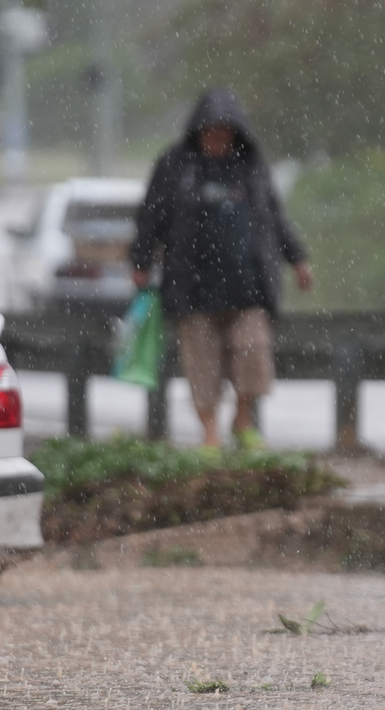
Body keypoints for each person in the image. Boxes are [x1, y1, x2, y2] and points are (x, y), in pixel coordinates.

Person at [131, 88, 313, 449]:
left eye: (224, 132)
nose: (217, 138)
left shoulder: (251, 166)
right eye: (211, 131)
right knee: (202, 365)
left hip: (248, 286)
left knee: (253, 352)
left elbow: (274, 216)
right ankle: (210, 434)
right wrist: (140, 260)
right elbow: (151, 216)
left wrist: (297, 259)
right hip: (192, 287)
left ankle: (242, 420)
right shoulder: (175, 164)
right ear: (198, 131)